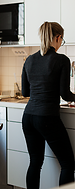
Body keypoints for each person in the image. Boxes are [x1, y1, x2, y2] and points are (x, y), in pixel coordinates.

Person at [21, 21, 75, 188]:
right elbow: (66, 95)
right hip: (46, 118)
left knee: (35, 162)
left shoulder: (29, 60)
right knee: (68, 164)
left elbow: (25, 93)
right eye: (62, 40)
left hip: (28, 117)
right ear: (58, 38)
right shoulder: (61, 60)